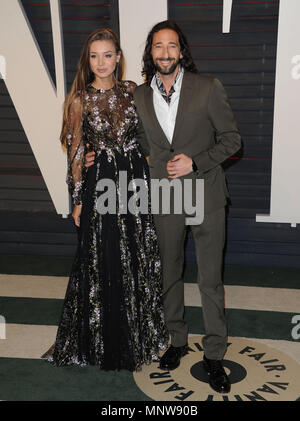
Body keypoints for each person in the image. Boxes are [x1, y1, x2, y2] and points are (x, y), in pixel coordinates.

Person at [85, 20, 241, 393]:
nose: (165, 53)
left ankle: (215, 354)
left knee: (209, 279)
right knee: (167, 272)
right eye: (158, 46)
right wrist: (94, 157)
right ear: (150, 52)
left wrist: (196, 161)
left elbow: (232, 140)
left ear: (182, 51)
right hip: (165, 195)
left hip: (205, 192)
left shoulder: (208, 88)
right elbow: (133, 145)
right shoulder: (137, 96)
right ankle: (176, 341)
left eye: (172, 46)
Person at [42, 28, 168, 371]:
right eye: (94, 55)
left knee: (138, 255)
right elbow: (77, 152)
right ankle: (102, 342)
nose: (101, 62)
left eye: (108, 54)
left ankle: (141, 335)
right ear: (88, 60)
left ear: (118, 58)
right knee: (103, 259)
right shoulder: (79, 99)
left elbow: (153, 132)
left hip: (135, 183)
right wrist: (78, 198)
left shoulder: (132, 92)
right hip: (102, 188)